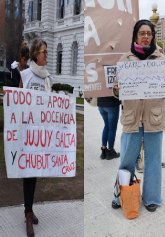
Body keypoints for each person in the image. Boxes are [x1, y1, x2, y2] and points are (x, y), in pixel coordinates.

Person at [111, 19, 165, 212]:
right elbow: (116, 90)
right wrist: (117, 90)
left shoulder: (161, 59)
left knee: (153, 159)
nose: (145, 37)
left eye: (149, 34)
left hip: (153, 117)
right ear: (135, 35)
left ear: (153, 37)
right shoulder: (125, 60)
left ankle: (151, 198)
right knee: (126, 158)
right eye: (142, 33)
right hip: (132, 117)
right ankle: (120, 195)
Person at [19, 38, 52, 237]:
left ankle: (29, 209)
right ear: (34, 54)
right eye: (44, 52)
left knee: (35, 172)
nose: (46, 55)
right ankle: (28, 213)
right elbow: (19, 103)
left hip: (41, 133)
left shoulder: (47, 78)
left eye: (47, 52)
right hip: (27, 132)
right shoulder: (26, 75)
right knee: (28, 173)